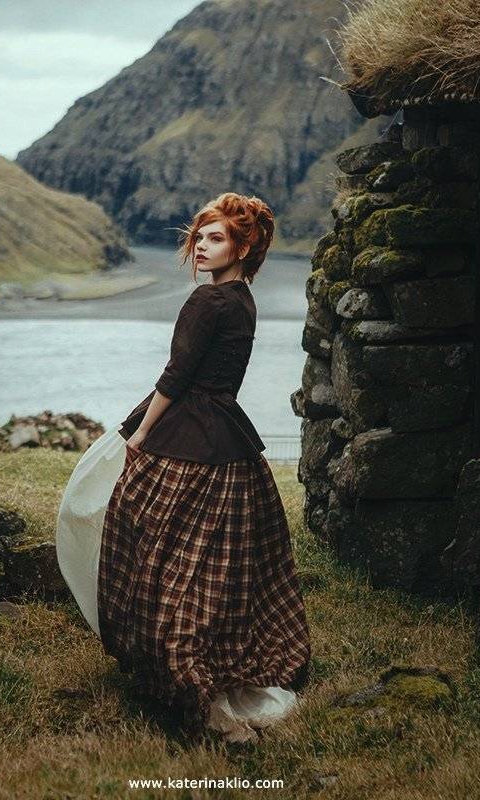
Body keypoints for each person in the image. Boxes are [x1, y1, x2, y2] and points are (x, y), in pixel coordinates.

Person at [54, 192, 311, 743]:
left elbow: (176, 375)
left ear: (244, 245)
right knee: (223, 558)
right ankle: (219, 646)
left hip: (190, 431)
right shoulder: (243, 299)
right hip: (229, 438)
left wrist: (141, 432)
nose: (200, 245)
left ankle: (176, 661)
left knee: (147, 538)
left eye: (215, 237)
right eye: (199, 236)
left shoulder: (206, 302)